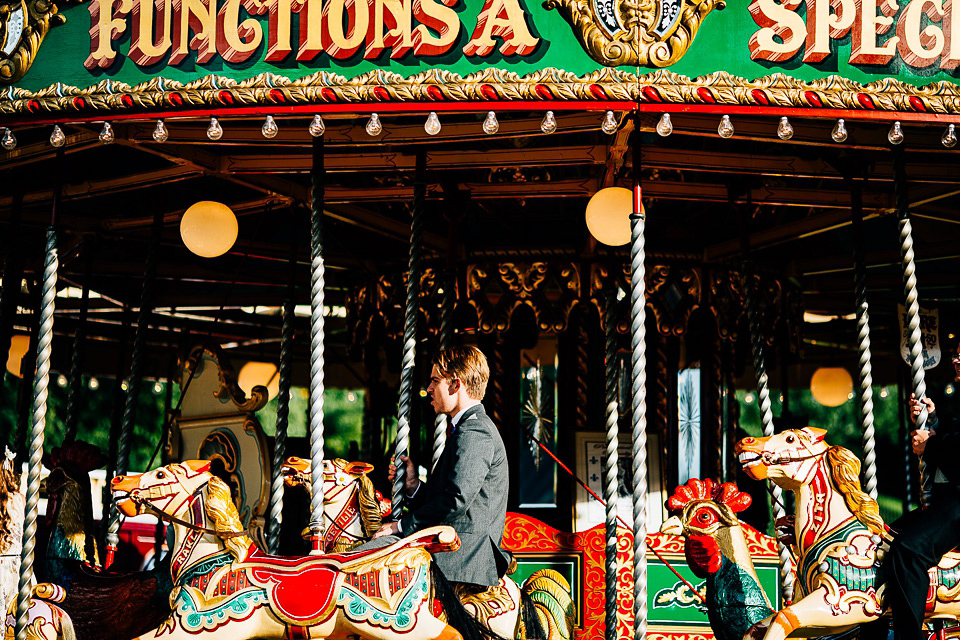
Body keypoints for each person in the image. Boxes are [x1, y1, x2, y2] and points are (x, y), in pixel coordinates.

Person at [367, 345, 512, 589]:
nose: (429, 389)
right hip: (454, 553)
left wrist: (400, 526)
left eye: (435, 380)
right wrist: (413, 486)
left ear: (456, 385)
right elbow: (451, 499)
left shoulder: (475, 431)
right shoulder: (467, 429)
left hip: (460, 559)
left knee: (362, 560)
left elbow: (456, 501)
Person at [876, 342, 960, 640]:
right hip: (949, 498)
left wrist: (932, 444)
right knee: (883, 541)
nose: (956, 361)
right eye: (956, 355)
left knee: (909, 549)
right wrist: (932, 421)